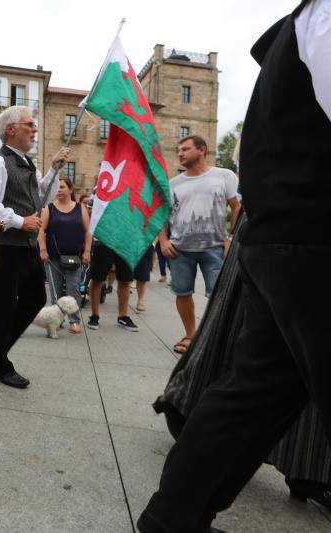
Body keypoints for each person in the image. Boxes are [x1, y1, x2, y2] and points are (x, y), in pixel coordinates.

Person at [138, 2, 331, 531]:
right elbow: (167, 209)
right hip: (309, 243)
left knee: (257, 391)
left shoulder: (298, 32)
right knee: (252, 388)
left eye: (185, 146)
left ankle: (171, 517)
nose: (180, 153)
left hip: (272, 243)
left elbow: (238, 197)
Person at [0, 105, 70, 388]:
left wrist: (54, 169)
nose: (35, 129)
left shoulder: (28, 164)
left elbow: (43, 196)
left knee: (35, 299)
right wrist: (20, 220)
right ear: (11, 129)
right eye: (29, 124)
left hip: (25, 246)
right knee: (4, 306)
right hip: (3, 246)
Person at [158, 135, 240, 354]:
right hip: (179, 250)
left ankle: (211, 338)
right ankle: (191, 335)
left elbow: (237, 207)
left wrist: (232, 239)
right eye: (178, 150)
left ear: (202, 149)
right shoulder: (173, 184)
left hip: (214, 248)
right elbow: (162, 216)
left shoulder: (224, 176)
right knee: (182, 293)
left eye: (185, 149)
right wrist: (164, 241)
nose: (180, 153)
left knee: (219, 296)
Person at [38, 176, 91, 334]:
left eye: (62, 187)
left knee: (74, 289)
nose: (59, 190)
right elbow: (41, 230)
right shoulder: (49, 208)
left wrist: (87, 251)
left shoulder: (80, 208)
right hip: (53, 258)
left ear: (70, 189)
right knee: (56, 292)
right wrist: (42, 249)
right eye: (57, 187)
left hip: (75, 257)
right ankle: (58, 320)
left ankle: (74, 320)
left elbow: (88, 231)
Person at [86, 238, 138, 332]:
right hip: (104, 238)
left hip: (126, 242)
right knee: (97, 278)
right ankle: (94, 316)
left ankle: (123, 316)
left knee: (125, 280)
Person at [133, 245, 155, 312]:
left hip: (146, 244)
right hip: (130, 244)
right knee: (126, 277)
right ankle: (124, 298)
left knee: (143, 276)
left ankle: (140, 301)